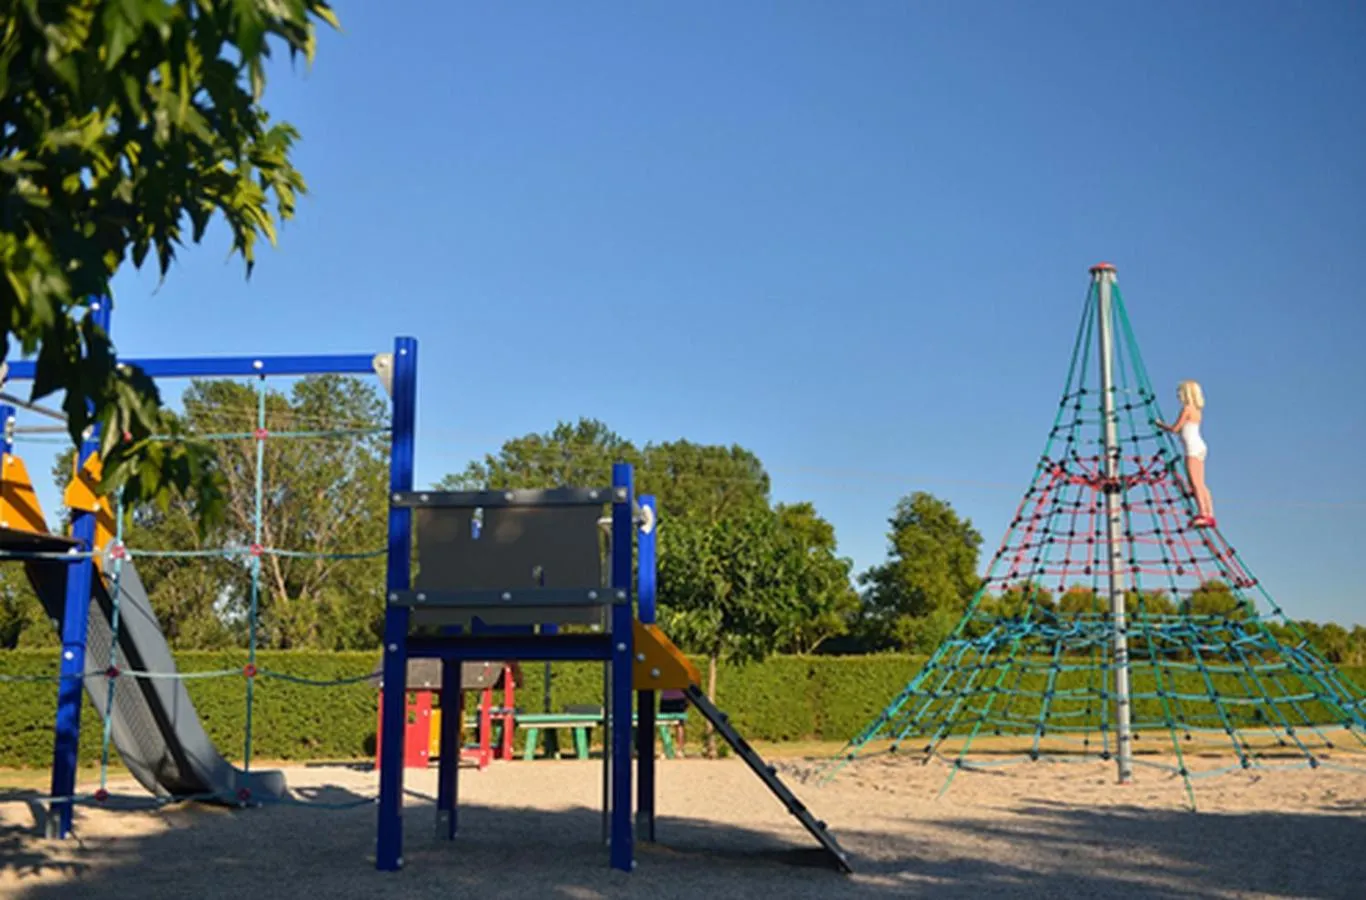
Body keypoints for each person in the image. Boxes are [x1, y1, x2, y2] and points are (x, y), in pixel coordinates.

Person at [1156, 379, 1215, 528]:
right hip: (1199, 446)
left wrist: (1161, 425)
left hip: (1192, 448)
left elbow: (1175, 429)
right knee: (1201, 483)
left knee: (1195, 483)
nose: (1178, 395)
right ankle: (1209, 513)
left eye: (1180, 392)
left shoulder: (1187, 409)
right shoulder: (1197, 410)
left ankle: (1203, 514)